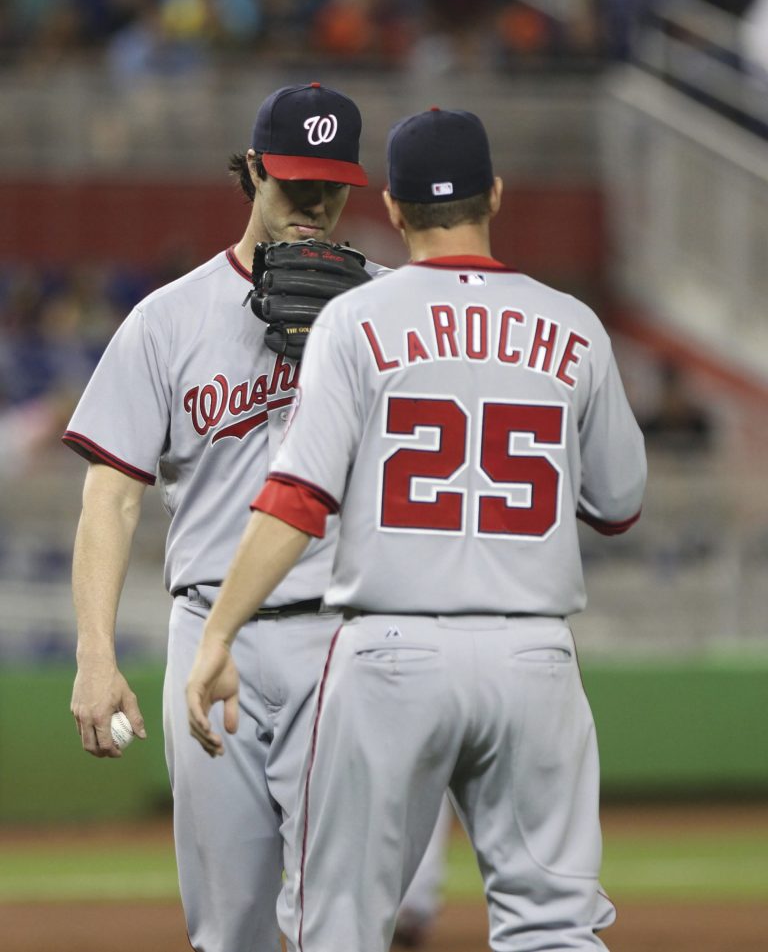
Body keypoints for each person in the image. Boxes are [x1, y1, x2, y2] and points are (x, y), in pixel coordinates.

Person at [185, 106, 648, 951]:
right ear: (496, 195)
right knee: (553, 926)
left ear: (392, 208)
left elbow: (296, 498)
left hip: (390, 654)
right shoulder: (576, 327)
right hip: (533, 656)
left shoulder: (357, 319)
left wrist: (219, 630)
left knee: (342, 929)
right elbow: (620, 504)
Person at [63, 81, 441, 952]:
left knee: (341, 926)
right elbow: (111, 494)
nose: (312, 203)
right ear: (252, 170)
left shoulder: (396, 314)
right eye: (293, 182)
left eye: (330, 185)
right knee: (226, 928)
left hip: (346, 642)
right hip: (207, 638)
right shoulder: (168, 320)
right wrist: (95, 652)